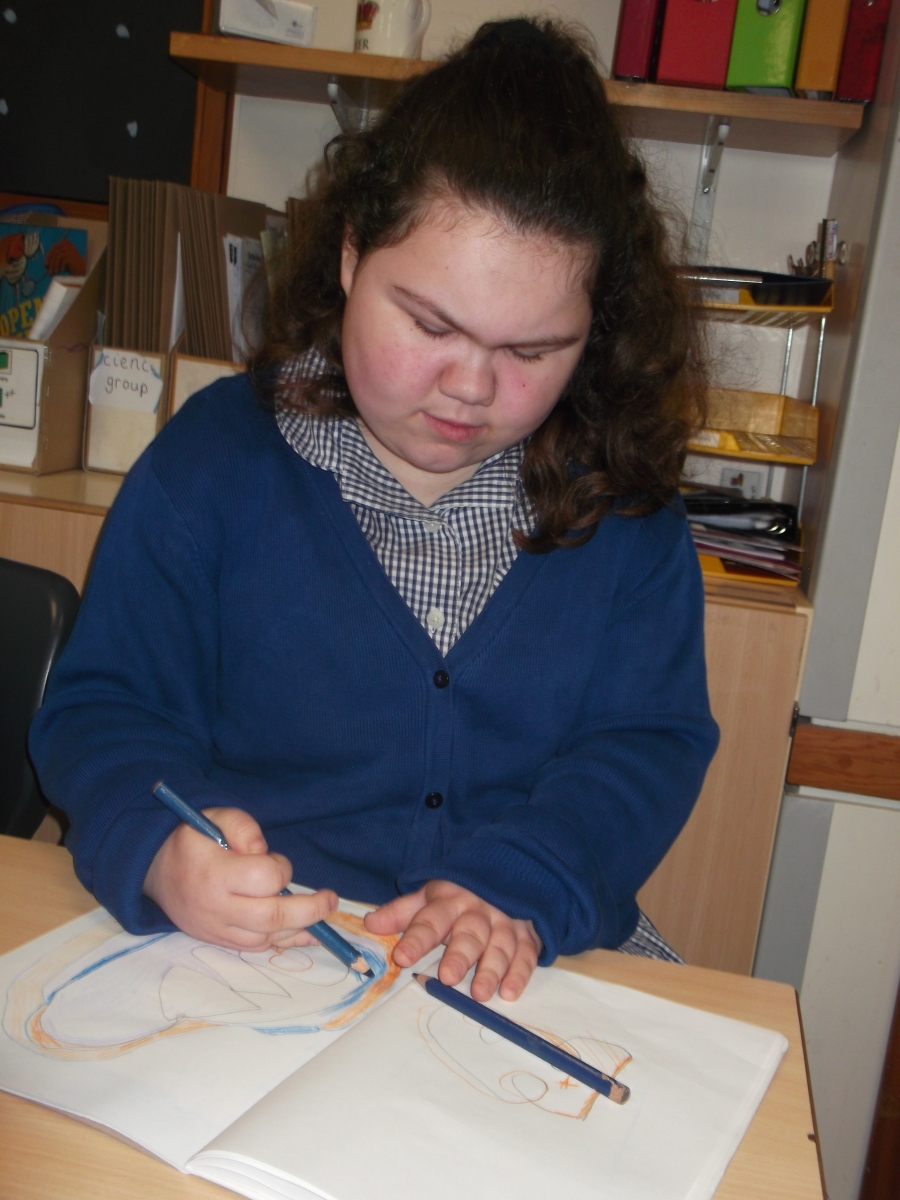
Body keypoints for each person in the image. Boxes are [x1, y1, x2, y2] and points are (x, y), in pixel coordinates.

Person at [30, 18, 718, 1006]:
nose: (470, 386)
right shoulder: (213, 465)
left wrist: (524, 878)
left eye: (532, 352)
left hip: (528, 956)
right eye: (430, 324)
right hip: (255, 962)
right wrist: (158, 849)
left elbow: (646, 745)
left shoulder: (629, 512)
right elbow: (104, 710)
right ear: (352, 255)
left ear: (594, 332)